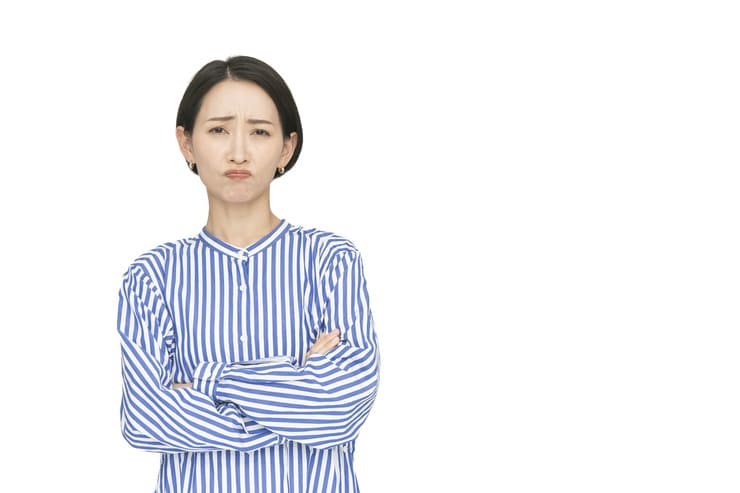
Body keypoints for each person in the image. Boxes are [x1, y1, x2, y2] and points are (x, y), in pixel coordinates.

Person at [116, 55, 380, 492]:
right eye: (218, 130)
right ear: (187, 144)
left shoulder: (331, 261)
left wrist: (208, 381)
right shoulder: (152, 278)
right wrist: (297, 378)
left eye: (259, 132)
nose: (238, 151)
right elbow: (144, 420)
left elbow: (338, 412)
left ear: (286, 148)